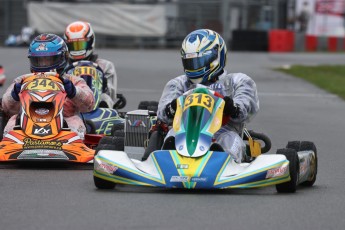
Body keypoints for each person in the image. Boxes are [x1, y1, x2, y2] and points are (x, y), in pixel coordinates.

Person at [157, 29, 259, 163]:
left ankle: (224, 162)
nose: (194, 67)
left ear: (216, 57)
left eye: (198, 62)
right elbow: (162, 115)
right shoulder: (179, 83)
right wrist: (172, 107)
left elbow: (247, 110)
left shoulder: (237, 81)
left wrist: (233, 107)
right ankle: (167, 161)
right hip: (185, 133)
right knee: (172, 135)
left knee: (229, 140)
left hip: (222, 132)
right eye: (190, 62)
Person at [2, 33, 95, 139]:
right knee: (12, 123)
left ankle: (72, 148)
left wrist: (74, 92)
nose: (43, 65)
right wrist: (14, 94)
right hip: (27, 121)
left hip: (64, 121)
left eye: (48, 60)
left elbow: (89, 104)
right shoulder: (22, 80)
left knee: (75, 122)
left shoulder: (72, 81)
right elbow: (6, 107)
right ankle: (10, 147)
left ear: (62, 58)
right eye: (39, 61)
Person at [64, 21, 118, 109]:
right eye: (73, 46)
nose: (77, 49)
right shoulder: (64, 67)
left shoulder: (105, 66)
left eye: (81, 44)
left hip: (98, 104)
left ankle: (104, 111)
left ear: (90, 42)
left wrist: (102, 85)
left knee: (105, 98)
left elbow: (110, 93)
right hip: (72, 104)